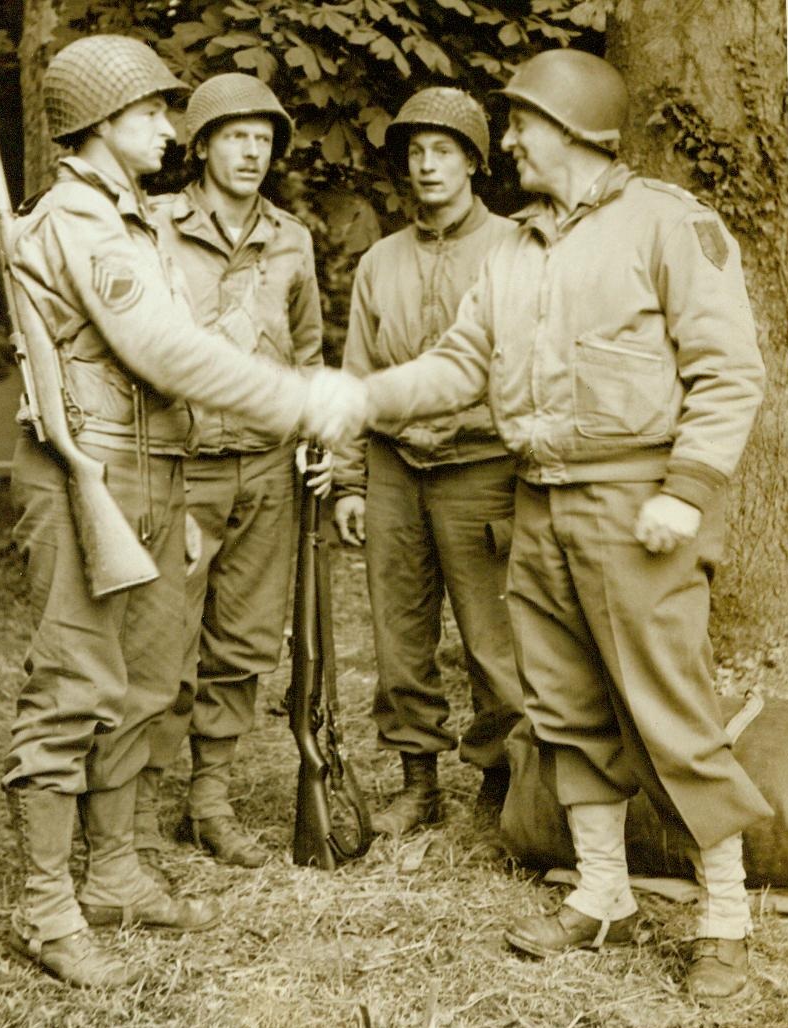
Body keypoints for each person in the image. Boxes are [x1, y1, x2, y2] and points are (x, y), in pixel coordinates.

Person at [350, 49, 772, 1004]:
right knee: (565, 709)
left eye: (521, 126)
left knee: (675, 716)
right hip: (535, 503)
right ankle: (604, 894)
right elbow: (460, 364)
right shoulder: (515, 246)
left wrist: (685, 489)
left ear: (575, 130)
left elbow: (729, 372)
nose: (507, 143)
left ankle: (725, 919)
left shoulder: (668, 224)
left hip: (639, 509)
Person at [2, 34, 362, 989]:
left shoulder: (131, 218)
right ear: (103, 124)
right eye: (156, 112)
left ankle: (114, 872)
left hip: (158, 473)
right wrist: (296, 402)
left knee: (140, 680)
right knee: (71, 685)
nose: (173, 126)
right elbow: (163, 348)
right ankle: (45, 909)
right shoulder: (80, 219)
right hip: (93, 474)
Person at [134, 73, 331, 872]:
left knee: (244, 643)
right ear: (202, 144)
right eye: (236, 135)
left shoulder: (291, 239)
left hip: (267, 469)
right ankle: (138, 808)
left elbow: (310, 352)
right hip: (181, 468)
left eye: (265, 138)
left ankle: (208, 799)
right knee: (161, 643)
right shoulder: (152, 226)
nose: (253, 151)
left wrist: (320, 441)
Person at [333, 87, 523, 839]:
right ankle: (419, 782)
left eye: (444, 150)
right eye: (415, 152)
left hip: (483, 468)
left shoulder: (515, 248)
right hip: (392, 471)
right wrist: (349, 479)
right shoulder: (381, 261)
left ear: (475, 162)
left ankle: (502, 782)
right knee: (400, 635)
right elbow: (356, 375)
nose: (427, 165)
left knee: (494, 637)